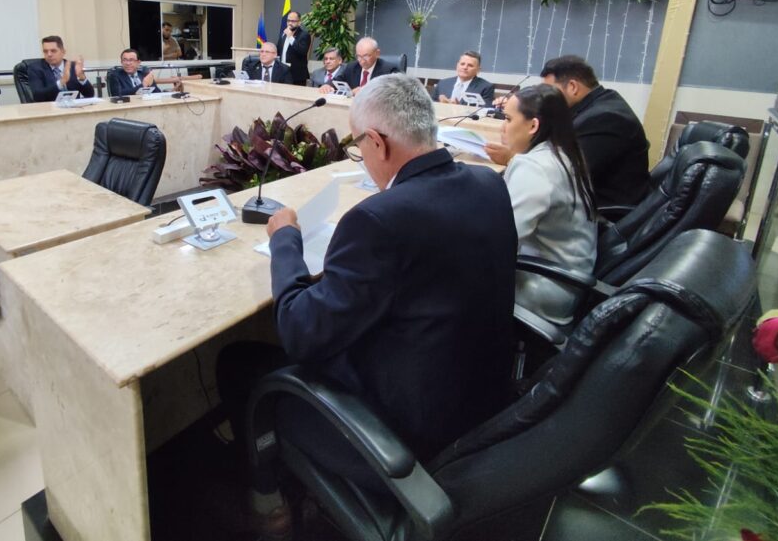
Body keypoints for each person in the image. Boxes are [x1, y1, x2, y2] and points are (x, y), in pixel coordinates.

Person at [216, 74, 517, 535]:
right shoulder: (488, 184)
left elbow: (299, 332)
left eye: (358, 147)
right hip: (482, 407)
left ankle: (269, 502)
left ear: (377, 141)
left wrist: (285, 240)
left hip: (403, 438)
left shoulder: (378, 220)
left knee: (239, 363)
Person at [485, 55, 649, 209]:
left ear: (572, 87)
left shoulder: (606, 118)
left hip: (601, 211)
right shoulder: (597, 104)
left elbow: (564, 174)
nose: (545, 97)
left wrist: (512, 158)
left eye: (550, 90)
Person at [498, 84, 598, 322]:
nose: (503, 127)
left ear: (533, 126)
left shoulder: (535, 168)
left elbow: (501, 239)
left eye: (508, 119)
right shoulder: (563, 153)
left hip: (543, 289)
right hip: (568, 277)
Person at [25, 35, 94, 102]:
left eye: (53, 51)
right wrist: (61, 82)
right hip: (49, 108)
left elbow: (90, 95)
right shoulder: (35, 68)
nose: (49, 54)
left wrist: (82, 78)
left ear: (63, 52)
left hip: (74, 107)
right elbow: (37, 96)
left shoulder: (72, 66)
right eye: (45, 51)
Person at [332, 36, 400, 95]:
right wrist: (328, 86)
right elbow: (337, 81)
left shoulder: (389, 70)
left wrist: (367, 93)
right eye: (359, 56)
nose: (362, 60)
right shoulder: (351, 67)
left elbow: (394, 93)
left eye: (366, 56)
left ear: (377, 53)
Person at [276, 10, 311, 86]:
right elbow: (278, 51)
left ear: (299, 22)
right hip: (283, 72)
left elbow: (302, 51)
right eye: (288, 21)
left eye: (293, 21)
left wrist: (290, 37)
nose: (290, 23)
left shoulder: (304, 35)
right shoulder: (284, 34)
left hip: (297, 75)